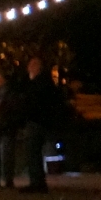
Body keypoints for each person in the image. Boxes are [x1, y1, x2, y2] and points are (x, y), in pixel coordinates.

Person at [18, 56, 62, 192]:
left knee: (33, 153)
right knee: (34, 153)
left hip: (36, 122)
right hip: (40, 121)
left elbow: (34, 103)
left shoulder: (38, 84)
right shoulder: (44, 83)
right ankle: (37, 182)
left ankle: (37, 183)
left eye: (32, 65)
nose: (28, 68)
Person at [0, 69, 25, 189]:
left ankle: (8, 180)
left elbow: (13, 113)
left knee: (6, 156)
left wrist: (6, 125)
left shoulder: (10, 96)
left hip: (6, 131)